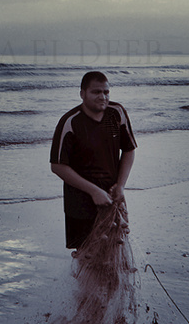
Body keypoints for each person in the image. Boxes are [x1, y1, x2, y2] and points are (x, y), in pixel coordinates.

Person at [50, 71, 137, 251]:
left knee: (115, 250)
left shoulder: (117, 113)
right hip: (80, 202)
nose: (102, 97)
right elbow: (57, 166)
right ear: (82, 94)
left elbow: (129, 150)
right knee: (86, 256)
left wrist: (120, 185)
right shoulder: (70, 122)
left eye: (106, 92)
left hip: (112, 197)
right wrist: (94, 191)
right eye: (96, 92)